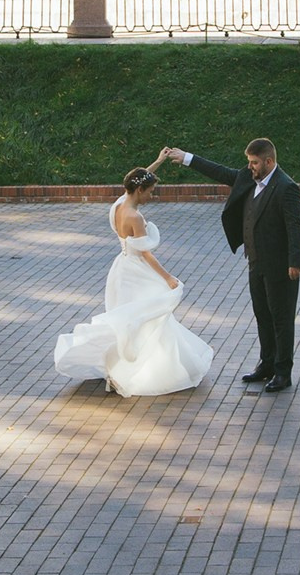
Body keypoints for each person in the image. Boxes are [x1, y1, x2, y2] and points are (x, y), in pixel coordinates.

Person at [53, 153, 214, 396]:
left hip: (121, 269)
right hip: (138, 270)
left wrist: (158, 162)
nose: (151, 196)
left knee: (131, 319)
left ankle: (122, 366)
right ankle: (141, 370)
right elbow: (146, 254)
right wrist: (168, 277)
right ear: (139, 191)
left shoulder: (120, 204)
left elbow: (137, 178)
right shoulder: (135, 217)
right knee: (149, 316)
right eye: (150, 192)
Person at [162, 139, 300, 392]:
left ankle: (283, 372)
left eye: (254, 162)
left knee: (281, 319)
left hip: (280, 266)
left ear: (269, 162)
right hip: (256, 261)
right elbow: (221, 172)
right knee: (262, 315)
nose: (250, 166)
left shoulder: (286, 187)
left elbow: (294, 226)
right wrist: (186, 157)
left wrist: (295, 262)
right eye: (249, 162)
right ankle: (267, 364)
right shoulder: (249, 177)